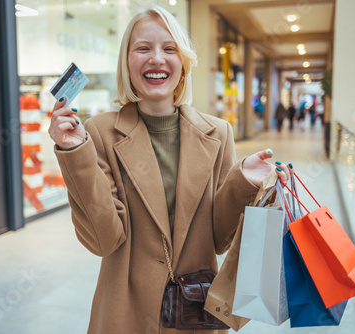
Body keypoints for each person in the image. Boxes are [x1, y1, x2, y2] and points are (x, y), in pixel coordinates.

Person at [48, 6, 292, 334]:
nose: (157, 59)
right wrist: (74, 151)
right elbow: (103, 241)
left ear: (183, 64)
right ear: (127, 62)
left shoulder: (218, 132)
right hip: (125, 313)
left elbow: (219, 240)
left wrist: (243, 180)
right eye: (143, 48)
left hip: (196, 311)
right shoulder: (99, 132)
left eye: (169, 48)